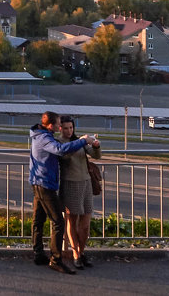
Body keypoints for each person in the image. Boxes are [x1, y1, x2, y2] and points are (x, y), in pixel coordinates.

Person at [29, 110, 93, 274]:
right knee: (58, 222)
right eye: (58, 123)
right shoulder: (44, 138)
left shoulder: (40, 135)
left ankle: (38, 254)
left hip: (39, 181)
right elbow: (59, 150)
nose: (60, 126)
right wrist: (82, 141)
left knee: (38, 219)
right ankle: (55, 260)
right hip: (45, 184)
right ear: (50, 125)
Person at [59, 115, 101, 269]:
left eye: (71, 128)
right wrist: (81, 141)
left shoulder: (79, 141)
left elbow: (96, 155)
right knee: (71, 219)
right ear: (60, 128)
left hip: (86, 183)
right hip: (70, 183)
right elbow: (65, 155)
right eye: (66, 128)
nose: (69, 131)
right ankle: (76, 254)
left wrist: (95, 145)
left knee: (85, 222)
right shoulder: (60, 143)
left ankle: (81, 252)